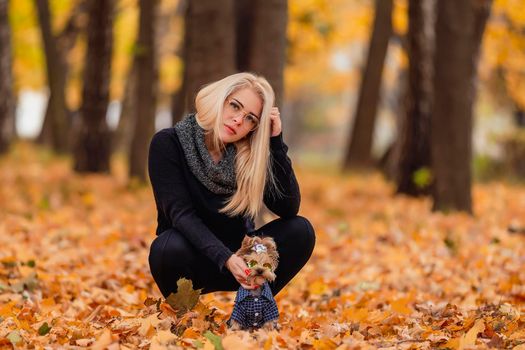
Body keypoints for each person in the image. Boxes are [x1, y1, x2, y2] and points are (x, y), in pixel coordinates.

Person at [147, 72, 315, 297]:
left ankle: (252, 307)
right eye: (235, 106)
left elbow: (288, 208)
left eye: (250, 119)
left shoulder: (248, 157)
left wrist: (275, 142)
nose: (238, 120)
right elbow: (180, 214)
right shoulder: (168, 143)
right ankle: (185, 317)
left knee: (301, 230)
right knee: (166, 248)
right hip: (192, 259)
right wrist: (225, 258)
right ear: (220, 99)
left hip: (242, 260)